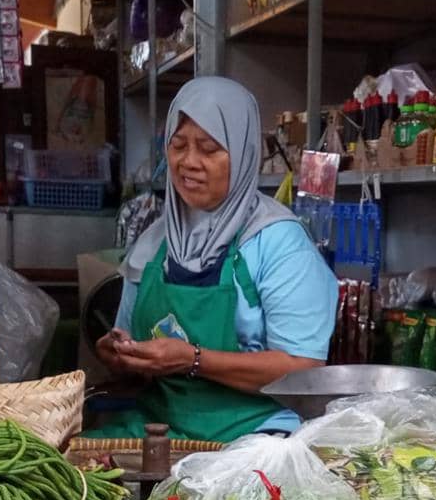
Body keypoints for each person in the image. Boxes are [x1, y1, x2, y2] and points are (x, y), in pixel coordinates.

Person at [91, 77, 337, 441]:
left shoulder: (278, 242)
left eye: (208, 149)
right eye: (178, 145)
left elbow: (302, 370)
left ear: (242, 154)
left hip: (255, 434)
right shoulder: (153, 241)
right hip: (160, 427)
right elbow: (135, 365)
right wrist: (120, 356)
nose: (188, 162)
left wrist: (192, 359)